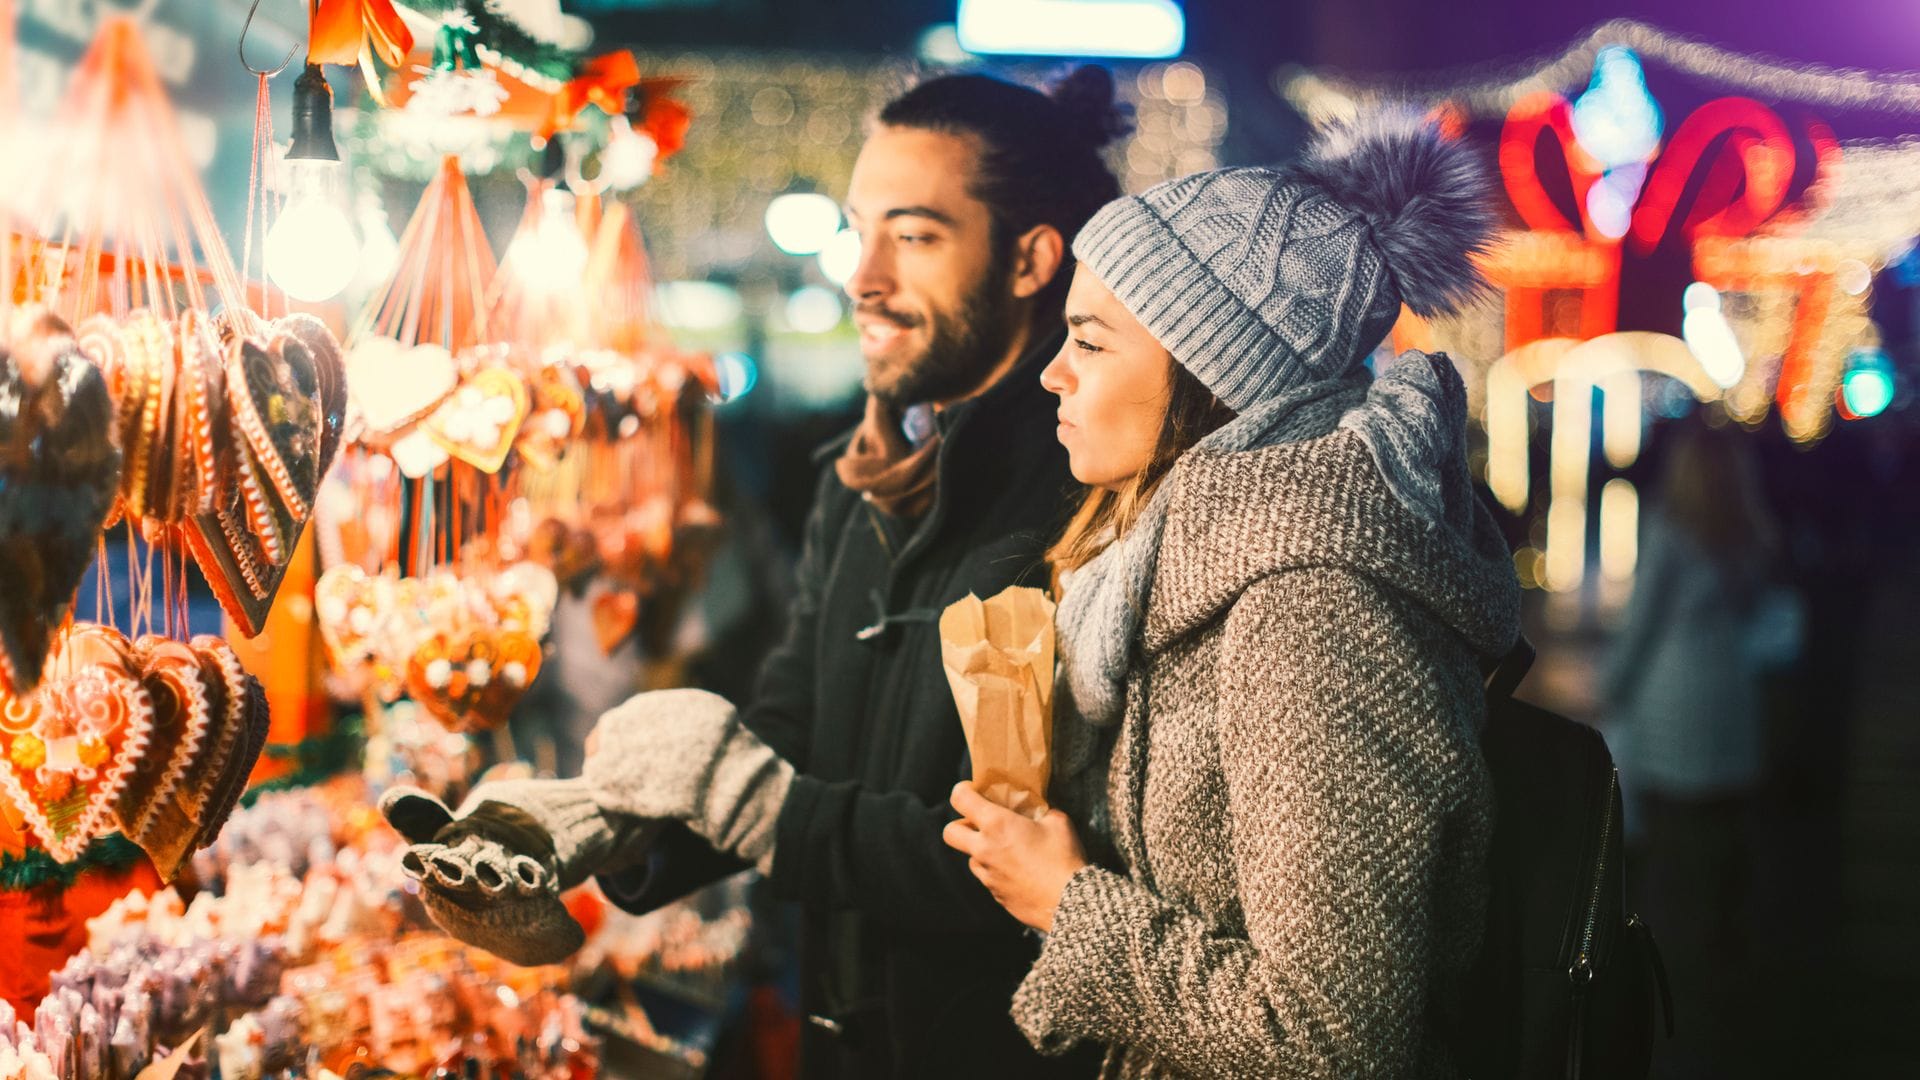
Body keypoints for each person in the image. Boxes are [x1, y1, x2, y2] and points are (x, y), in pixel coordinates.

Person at [380, 69, 1128, 1079]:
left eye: (913, 236)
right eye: (859, 231)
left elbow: (1044, 859)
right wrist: (616, 822)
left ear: (1033, 258)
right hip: (837, 1038)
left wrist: (765, 809)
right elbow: (791, 724)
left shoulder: (1094, 504)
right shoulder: (858, 482)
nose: (862, 277)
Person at [939, 114, 1522, 1078]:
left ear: (1214, 375)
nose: (1053, 374)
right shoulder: (1158, 566)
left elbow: (1333, 1042)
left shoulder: (1312, 611)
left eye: (1088, 342)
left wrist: (1066, 901)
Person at [1603, 420, 1794, 1079]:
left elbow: (1641, 625)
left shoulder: (1666, 531)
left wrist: (1613, 688)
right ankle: (1725, 963)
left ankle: (1671, 978)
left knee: (1669, 848)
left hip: (1672, 702)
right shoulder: (1748, 533)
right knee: (1723, 840)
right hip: (1732, 701)